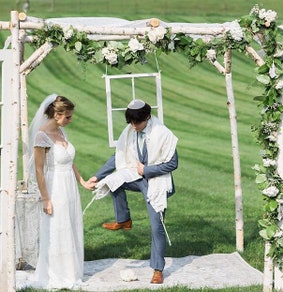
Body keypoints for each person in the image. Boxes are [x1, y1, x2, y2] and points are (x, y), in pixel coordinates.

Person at [87, 99, 178, 284]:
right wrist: (97, 176)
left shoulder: (163, 133)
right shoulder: (130, 131)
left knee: (156, 226)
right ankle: (124, 219)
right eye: (131, 122)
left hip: (156, 182)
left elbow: (172, 163)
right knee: (113, 181)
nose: (134, 126)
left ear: (148, 117)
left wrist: (147, 171)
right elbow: (118, 156)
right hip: (137, 177)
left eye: (137, 122)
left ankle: (158, 269)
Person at [27, 94, 92, 289]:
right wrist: (46, 199)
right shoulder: (41, 136)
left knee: (70, 225)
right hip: (55, 186)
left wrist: (82, 181)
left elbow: (69, 161)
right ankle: (58, 273)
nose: (70, 120)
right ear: (56, 114)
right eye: (68, 117)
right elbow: (39, 169)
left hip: (69, 187)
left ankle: (71, 270)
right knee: (58, 228)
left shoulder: (61, 132)